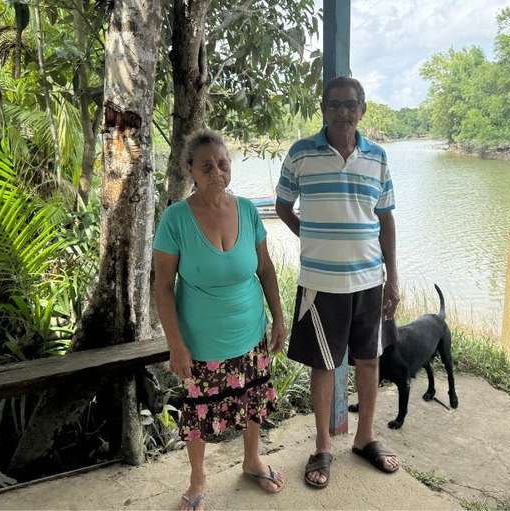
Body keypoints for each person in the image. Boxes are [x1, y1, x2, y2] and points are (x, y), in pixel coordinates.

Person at [275, 76, 401, 489]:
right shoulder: (300, 153)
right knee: (324, 364)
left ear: (362, 110)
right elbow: (283, 205)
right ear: (323, 109)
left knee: (369, 360)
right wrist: (311, 237)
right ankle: (323, 446)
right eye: (335, 104)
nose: (343, 112)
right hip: (320, 282)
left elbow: (386, 218)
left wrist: (393, 278)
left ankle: (365, 438)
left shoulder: (378, 157)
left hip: (369, 280)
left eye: (351, 105)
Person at [153, 129, 287, 510]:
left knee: (253, 398)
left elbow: (265, 268)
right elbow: (163, 288)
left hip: (251, 331)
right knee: (198, 411)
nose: (217, 172)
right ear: (190, 170)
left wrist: (278, 318)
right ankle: (198, 480)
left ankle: (252, 460)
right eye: (207, 166)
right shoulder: (175, 220)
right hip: (201, 342)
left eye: (223, 163)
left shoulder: (247, 210)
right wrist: (176, 344)